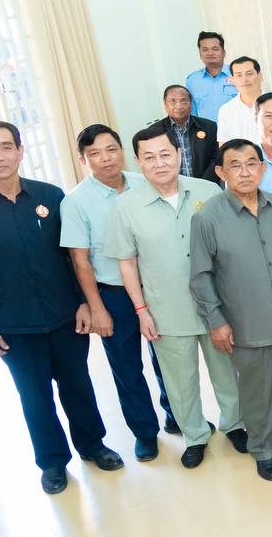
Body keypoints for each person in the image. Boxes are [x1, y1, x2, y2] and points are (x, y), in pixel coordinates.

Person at [0, 121, 121, 494]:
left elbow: (73, 256)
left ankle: (93, 445)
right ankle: (52, 462)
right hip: (12, 325)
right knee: (35, 397)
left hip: (65, 316)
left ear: (20, 151)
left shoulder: (50, 196)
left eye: (6, 146)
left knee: (78, 386)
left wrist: (85, 303)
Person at [106, 124, 247, 470]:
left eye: (165, 154)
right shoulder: (126, 207)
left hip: (216, 306)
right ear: (138, 161)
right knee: (179, 381)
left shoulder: (208, 191)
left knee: (227, 372)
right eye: (149, 157)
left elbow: (231, 247)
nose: (159, 163)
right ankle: (195, 435)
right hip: (165, 309)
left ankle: (235, 424)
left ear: (179, 154)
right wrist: (141, 310)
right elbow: (127, 263)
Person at [191, 139, 272, 481]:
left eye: (252, 163)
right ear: (220, 172)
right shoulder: (207, 217)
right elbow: (200, 276)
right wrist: (216, 321)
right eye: (235, 165)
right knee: (257, 388)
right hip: (246, 320)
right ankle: (264, 448)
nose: (245, 172)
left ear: (263, 168)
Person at [59, 125, 163, 463]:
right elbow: (80, 261)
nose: (105, 159)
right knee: (128, 369)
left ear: (122, 151)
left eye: (111, 149)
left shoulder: (144, 182)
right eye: (95, 154)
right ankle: (145, 432)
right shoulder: (76, 202)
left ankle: (177, 416)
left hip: (154, 288)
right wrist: (97, 308)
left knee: (168, 359)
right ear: (83, 160)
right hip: (113, 295)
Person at [157, 84, 220, 183]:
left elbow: (217, 157)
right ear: (165, 104)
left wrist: (204, 183)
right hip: (172, 186)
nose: (179, 106)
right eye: (173, 102)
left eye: (184, 101)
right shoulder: (156, 132)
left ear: (191, 104)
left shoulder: (209, 126)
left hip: (207, 184)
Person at [185, 31, 236, 122]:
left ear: (224, 52)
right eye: (205, 50)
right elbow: (192, 113)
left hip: (236, 128)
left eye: (215, 49)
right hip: (205, 130)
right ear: (200, 54)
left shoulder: (237, 74)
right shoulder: (192, 80)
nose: (210, 53)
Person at [216, 56, 263, 144]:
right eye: (239, 75)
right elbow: (223, 145)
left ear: (260, 76)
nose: (244, 79)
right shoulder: (225, 110)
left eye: (249, 74)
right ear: (233, 80)